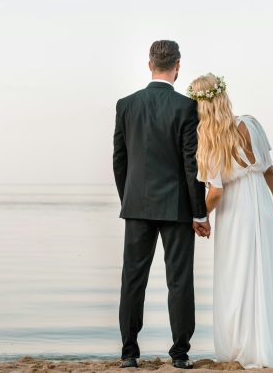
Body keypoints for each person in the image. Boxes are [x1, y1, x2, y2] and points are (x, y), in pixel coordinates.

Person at [188, 73, 273, 370]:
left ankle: (240, 347)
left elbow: (216, 192)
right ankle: (264, 346)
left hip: (235, 211)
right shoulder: (250, 123)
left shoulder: (208, 139)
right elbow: (270, 172)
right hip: (260, 204)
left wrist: (199, 217)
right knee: (260, 274)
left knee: (235, 276)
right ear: (223, 96)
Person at [113, 40, 209, 369]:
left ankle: (129, 354)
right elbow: (190, 166)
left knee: (132, 280)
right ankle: (179, 355)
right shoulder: (185, 107)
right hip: (177, 208)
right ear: (177, 66)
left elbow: (119, 160)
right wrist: (200, 212)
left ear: (149, 64)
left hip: (136, 204)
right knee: (179, 280)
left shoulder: (126, 105)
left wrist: (129, 197)